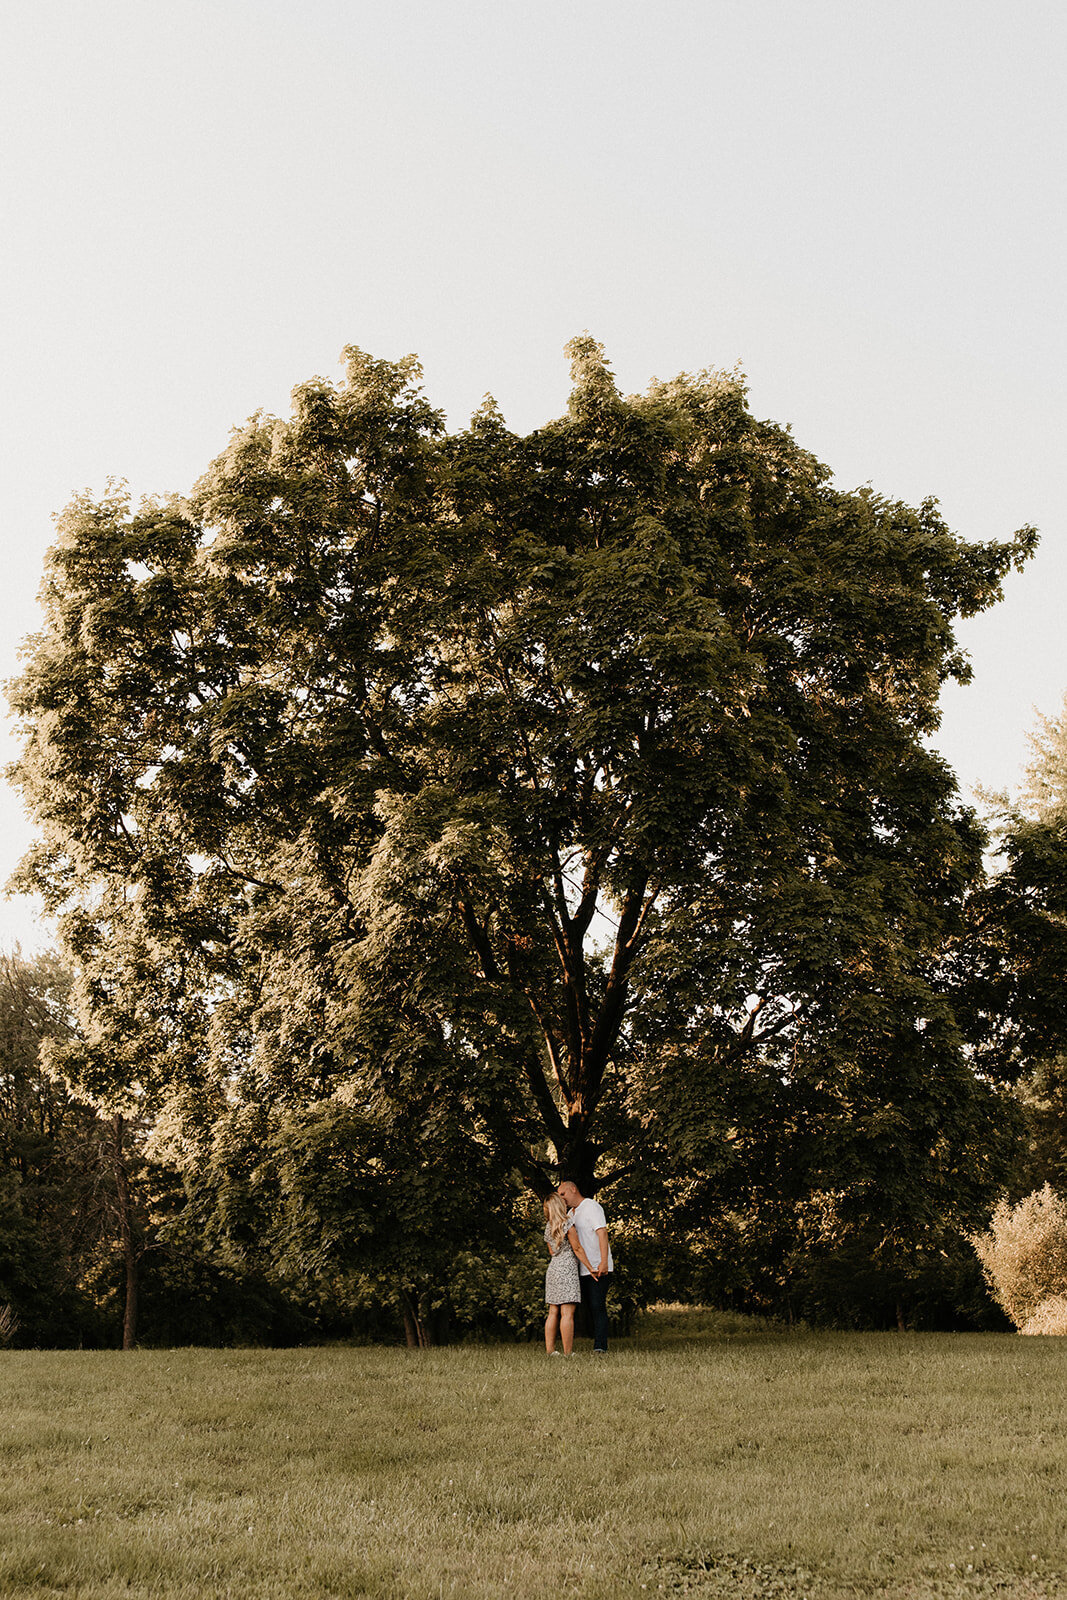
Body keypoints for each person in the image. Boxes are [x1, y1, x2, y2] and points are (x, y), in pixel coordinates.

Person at [557, 1179, 613, 1354]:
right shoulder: (571, 1214)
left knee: (597, 1305)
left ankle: (600, 1346)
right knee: (587, 1307)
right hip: (581, 1269)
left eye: (562, 1194)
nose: (561, 1198)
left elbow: (602, 1233)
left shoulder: (591, 1206)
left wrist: (603, 1261)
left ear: (573, 1189)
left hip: (597, 1266)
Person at [542, 1192, 590, 1354]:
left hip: (553, 1268)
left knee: (553, 1311)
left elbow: (551, 1251)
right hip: (567, 1268)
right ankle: (568, 1352)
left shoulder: (549, 1227)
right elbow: (577, 1248)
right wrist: (591, 1268)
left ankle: (550, 1351)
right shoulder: (568, 1223)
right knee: (567, 1313)